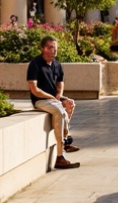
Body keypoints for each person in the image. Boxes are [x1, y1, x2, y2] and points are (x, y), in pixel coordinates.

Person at [26, 36, 80, 170]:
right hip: (41, 100)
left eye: (55, 47)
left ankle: (66, 140)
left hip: (53, 98)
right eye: (50, 47)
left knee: (70, 103)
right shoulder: (35, 64)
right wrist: (51, 97)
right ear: (43, 49)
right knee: (60, 111)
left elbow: (60, 83)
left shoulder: (56, 64)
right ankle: (60, 157)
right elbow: (34, 88)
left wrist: (58, 96)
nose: (53, 50)